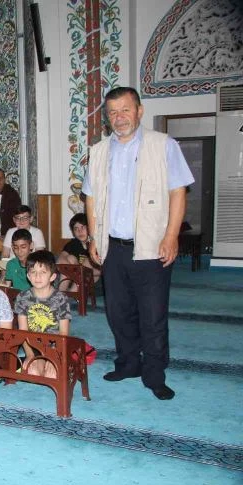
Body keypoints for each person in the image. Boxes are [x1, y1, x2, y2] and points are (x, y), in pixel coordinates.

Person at [84, 86, 193, 400]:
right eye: (113, 112)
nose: (119, 117)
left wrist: (171, 236)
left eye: (125, 110)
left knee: (152, 315)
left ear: (139, 111)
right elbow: (90, 198)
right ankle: (129, 363)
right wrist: (93, 237)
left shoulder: (164, 145)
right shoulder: (98, 151)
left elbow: (178, 192)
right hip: (112, 248)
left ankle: (154, 374)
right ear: (107, 117)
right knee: (118, 313)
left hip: (151, 246)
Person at [14, 251, 71, 377]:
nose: (37, 276)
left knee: (52, 376)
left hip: (55, 347)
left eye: (43, 272)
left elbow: (63, 333)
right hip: (33, 346)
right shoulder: (22, 297)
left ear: (52, 277)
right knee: (32, 372)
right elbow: (22, 331)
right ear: (28, 276)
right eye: (33, 272)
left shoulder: (61, 298)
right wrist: (30, 355)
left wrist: (53, 357)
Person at [58, 213, 101, 283]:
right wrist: (76, 269)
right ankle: (61, 290)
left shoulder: (97, 243)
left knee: (88, 262)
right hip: (76, 277)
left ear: (90, 228)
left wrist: (80, 270)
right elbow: (60, 260)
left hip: (94, 280)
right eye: (76, 229)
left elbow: (102, 269)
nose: (80, 231)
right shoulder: (73, 244)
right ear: (73, 232)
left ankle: (74, 290)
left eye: (83, 227)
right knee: (70, 258)